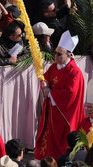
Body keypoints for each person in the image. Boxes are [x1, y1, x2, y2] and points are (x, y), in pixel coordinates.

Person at [35, 31, 85, 159]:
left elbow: (70, 94)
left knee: (61, 141)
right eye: (55, 53)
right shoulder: (55, 66)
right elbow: (45, 78)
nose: (55, 56)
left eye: (59, 54)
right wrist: (44, 83)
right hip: (52, 110)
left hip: (65, 113)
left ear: (69, 55)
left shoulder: (74, 72)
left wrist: (50, 93)